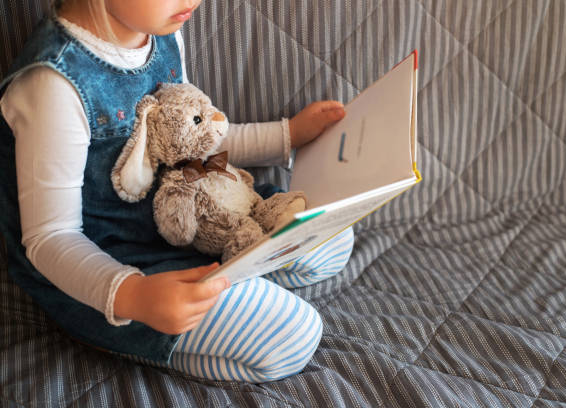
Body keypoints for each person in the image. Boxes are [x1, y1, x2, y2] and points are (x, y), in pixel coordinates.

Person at [0, 0, 355, 383]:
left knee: (336, 236)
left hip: (191, 214)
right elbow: (50, 238)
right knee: (294, 336)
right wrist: (135, 297)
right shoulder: (53, 84)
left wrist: (286, 136)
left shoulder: (160, 32)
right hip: (116, 269)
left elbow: (197, 141)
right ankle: (137, 338)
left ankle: (238, 273)